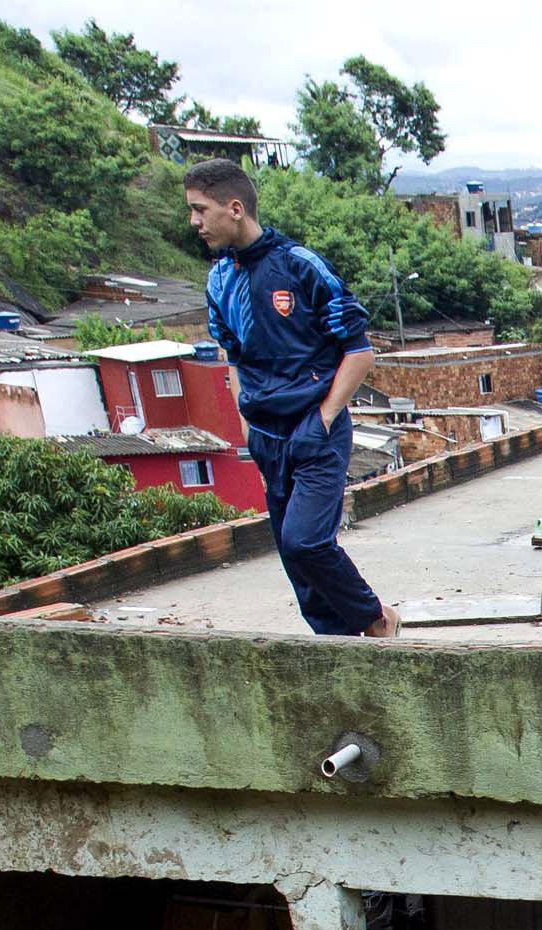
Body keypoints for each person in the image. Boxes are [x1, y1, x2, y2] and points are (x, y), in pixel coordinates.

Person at [184, 159, 398, 640]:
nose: (194, 222)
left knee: (306, 541)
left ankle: (377, 620)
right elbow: (233, 356)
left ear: (234, 208)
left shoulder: (300, 267)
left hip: (313, 428)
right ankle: (337, 649)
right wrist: (245, 420)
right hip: (266, 432)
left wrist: (323, 417)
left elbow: (359, 354)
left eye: (201, 210)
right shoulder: (220, 281)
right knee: (292, 558)